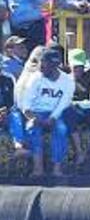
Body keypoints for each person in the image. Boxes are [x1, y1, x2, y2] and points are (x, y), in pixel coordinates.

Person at [17, 48, 74, 177]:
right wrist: (33, 118)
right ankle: (38, 168)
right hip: (35, 112)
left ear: (54, 65)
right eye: (40, 63)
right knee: (32, 129)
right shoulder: (35, 78)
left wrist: (53, 118)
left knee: (61, 129)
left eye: (44, 64)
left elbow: (64, 103)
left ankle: (57, 169)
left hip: (54, 113)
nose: (40, 67)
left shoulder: (68, 81)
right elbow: (26, 103)